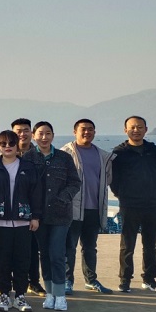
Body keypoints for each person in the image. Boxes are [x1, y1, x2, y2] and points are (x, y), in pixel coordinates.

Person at [0, 130, 43, 312]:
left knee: (22, 260)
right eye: (3, 144)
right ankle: (4, 294)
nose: (7, 147)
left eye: (11, 143)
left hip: (23, 222)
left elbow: (36, 193)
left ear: (17, 146)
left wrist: (35, 216)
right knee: (2, 261)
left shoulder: (28, 167)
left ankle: (20, 295)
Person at [60, 119, 115, 294]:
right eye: (83, 129)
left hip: (94, 208)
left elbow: (108, 179)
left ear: (94, 132)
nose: (87, 132)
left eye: (90, 129)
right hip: (73, 208)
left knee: (90, 247)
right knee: (69, 247)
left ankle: (91, 280)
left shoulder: (102, 155)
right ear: (75, 131)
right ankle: (67, 281)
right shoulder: (65, 153)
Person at [111, 115, 156, 293]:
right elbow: (114, 180)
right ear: (125, 130)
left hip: (152, 204)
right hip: (130, 205)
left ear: (146, 129)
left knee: (150, 245)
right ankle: (125, 279)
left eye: (140, 127)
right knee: (127, 245)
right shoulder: (119, 153)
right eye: (132, 127)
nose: (136, 130)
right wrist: (122, 195)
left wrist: (153, 191)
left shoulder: (153, 150)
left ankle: (149, 279)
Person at [32, 122, 81, 311]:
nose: (44, 137)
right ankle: (50, 294)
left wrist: (63, 198)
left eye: (48, 133)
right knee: (44, 254)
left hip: (61, 215)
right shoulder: (28, 158)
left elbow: (75, 183)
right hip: (38, 216)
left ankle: (60, 296)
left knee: (57, 254)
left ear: (53, 135)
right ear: (34, 136)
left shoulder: (64, 157)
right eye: (40, 134)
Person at [12, 117, 47, 298]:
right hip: (10, 211)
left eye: (26, 130)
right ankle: (12, 282)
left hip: (32, 210)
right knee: (9, 249)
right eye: (18, 131)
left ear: (31, 134)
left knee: (33, 249)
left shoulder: (38, 156)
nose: (22, 134)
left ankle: (33, 282)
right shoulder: (6, 155)